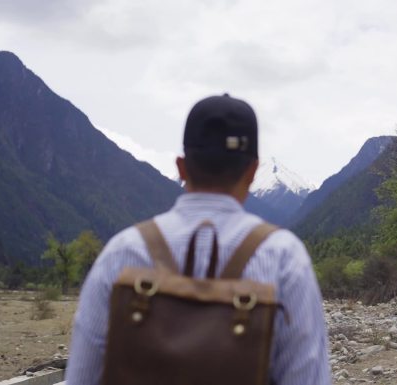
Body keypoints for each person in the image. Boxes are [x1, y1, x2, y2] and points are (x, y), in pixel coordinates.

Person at [65, 94, 332, 385]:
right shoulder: (284, 257)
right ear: (253, 170)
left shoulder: (122, 252)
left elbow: (81, 377)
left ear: (181, 167)